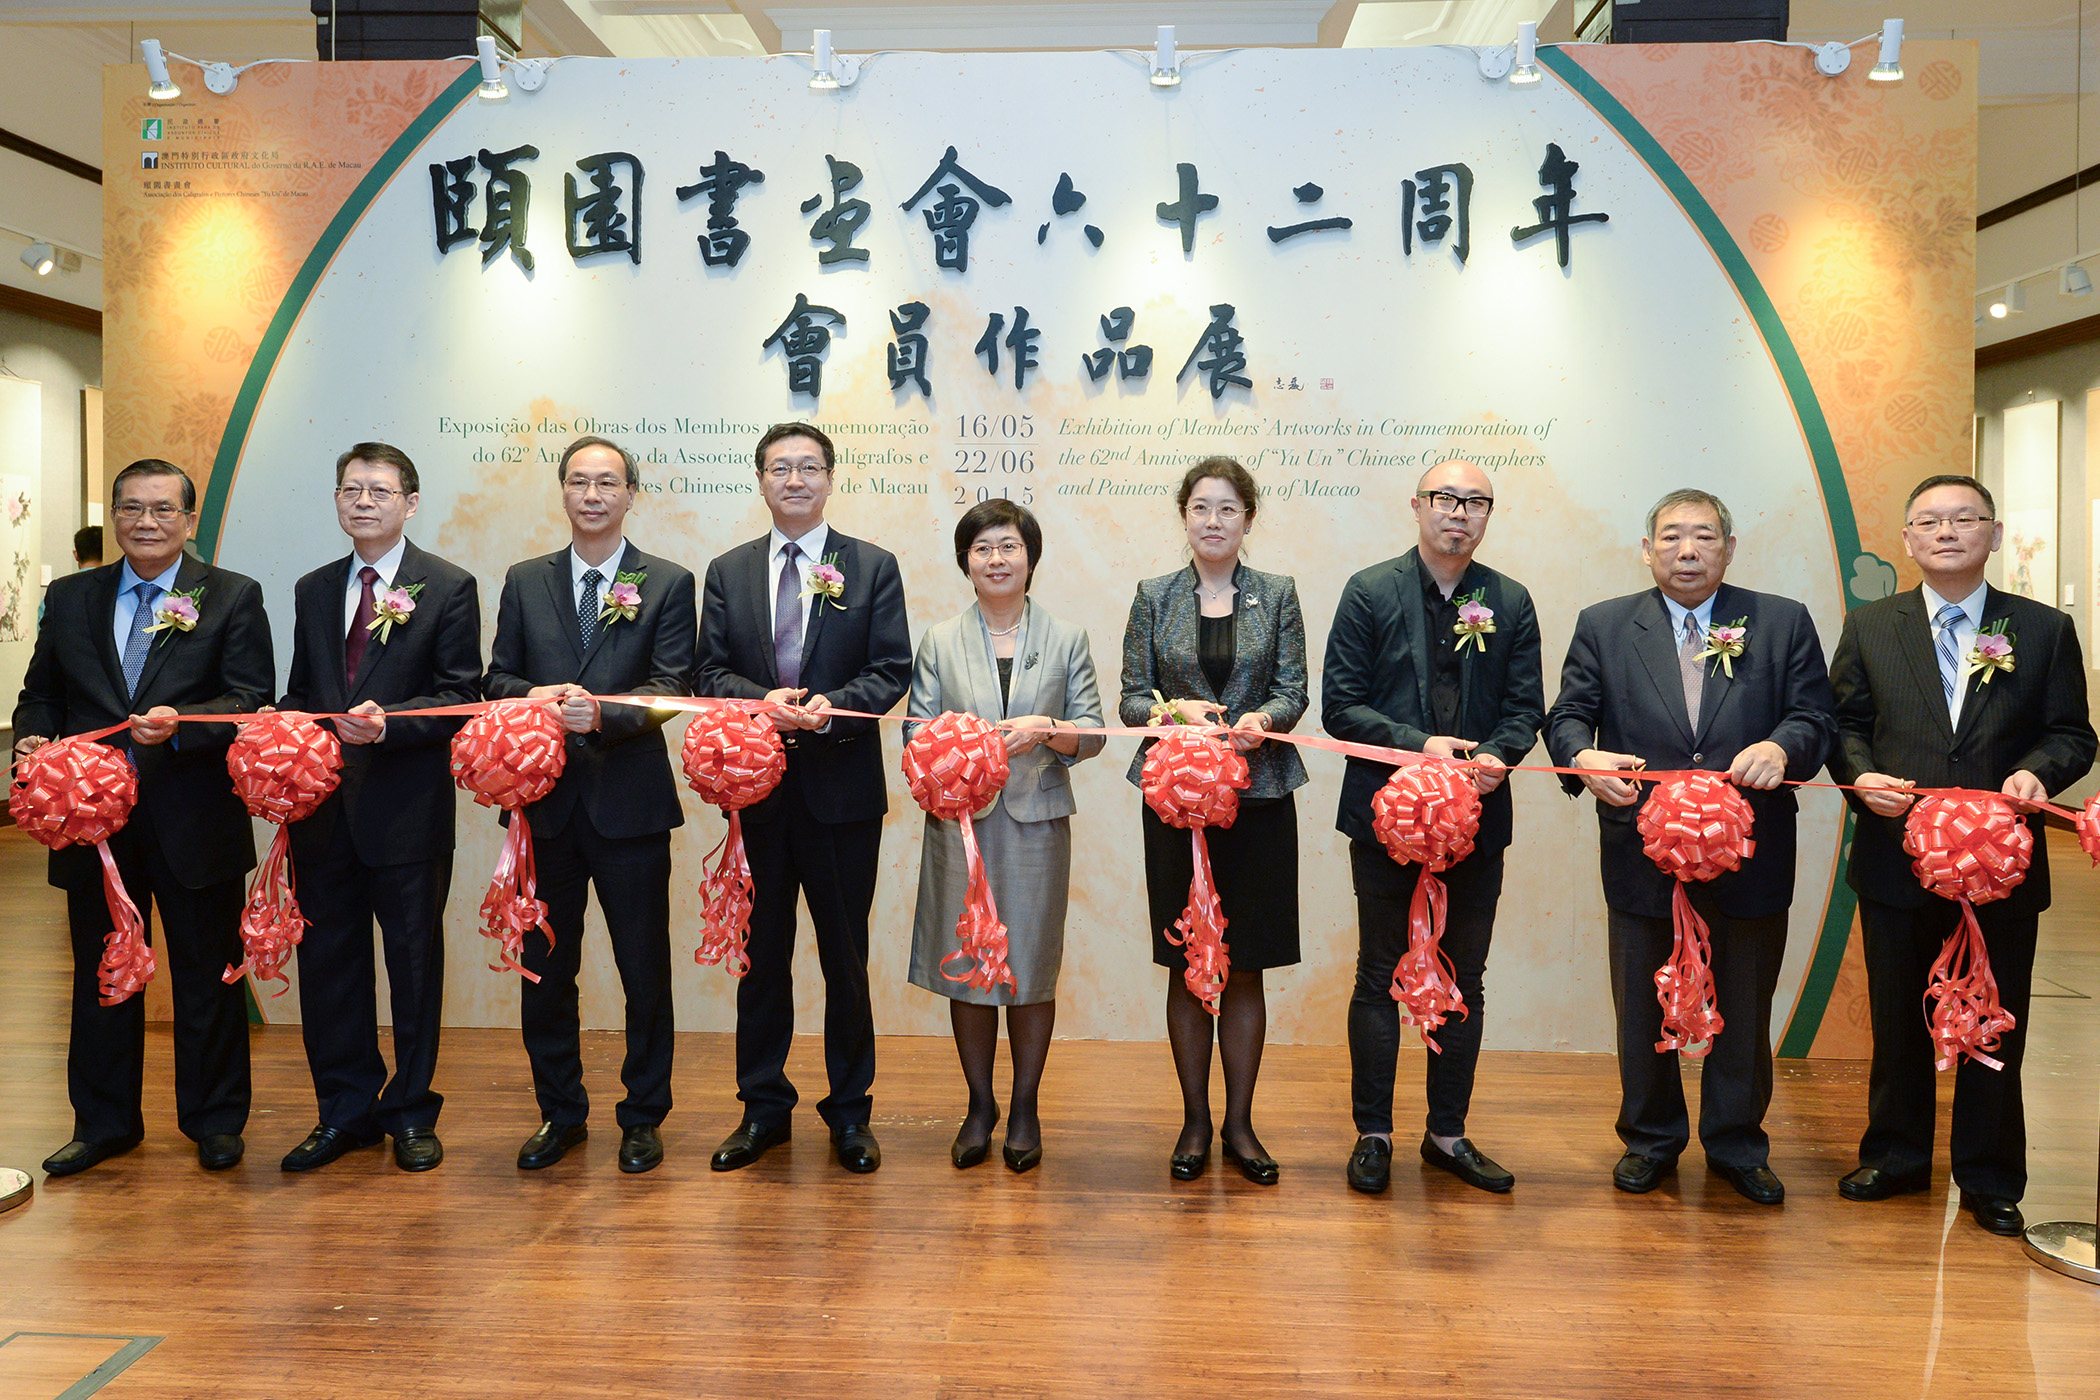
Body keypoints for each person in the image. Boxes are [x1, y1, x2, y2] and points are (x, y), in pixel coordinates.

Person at [1545, 488, 1836, 1205]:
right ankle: (1651, 1140)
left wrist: (1781, 744)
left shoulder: (1781, 620)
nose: (1688, 550)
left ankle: (1737, 1144)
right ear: (1646, 550)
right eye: (1671, 537)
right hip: (1643, 849)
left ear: (1728, 549)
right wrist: (1584, 758)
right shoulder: (1606, 625)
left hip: (1751, 852)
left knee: (1743, 1000)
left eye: (1704, 537)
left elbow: (1816, 717)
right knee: (1643, 1004)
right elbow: (1569, 717)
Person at [1828, 474, 2095, 1238]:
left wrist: (2037, 773)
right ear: (1909, 539)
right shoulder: (1871, 624)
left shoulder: (2042, 629)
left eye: (1964, 519)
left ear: (1996, 534)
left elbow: (2074, 733)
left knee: (1995, 1020)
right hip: (1896, 858)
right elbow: (1844, 723)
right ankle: (1898, 1155)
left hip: (2002, 864)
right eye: (1929, 522)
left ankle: (1989, 1176)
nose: (1946, 532)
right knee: (1898, 1015)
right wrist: (1858, 775)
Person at [15, 458, 273, 1176]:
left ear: (189, 520)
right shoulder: (70, 598)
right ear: (115, 515)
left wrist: (185, 724)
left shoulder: (231, 596)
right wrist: (35, 735)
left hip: (195, 821)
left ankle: (215, 1122)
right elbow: (41, 694)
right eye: (131, 508)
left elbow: (251, 700)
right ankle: (103, 1125)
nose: (146, 521)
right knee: (103, 978)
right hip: (90, 823)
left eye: (163, 509)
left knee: (207, 981)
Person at [1321, 460, 1544, 1196]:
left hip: (1477, 819)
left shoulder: (1508, 601)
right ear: (1418, 506)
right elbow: (1341, 706)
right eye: (1447, 499)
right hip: (1386, 817)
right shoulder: (1369, 590)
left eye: (1476, 502)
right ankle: (1373, 1134)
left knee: (1464, 977)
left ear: (1487, 516)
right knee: (1379, 974)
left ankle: (1447, 1133)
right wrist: (1421, 747)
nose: (1460, 513)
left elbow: (1524, 708)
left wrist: (1495, 755)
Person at [696, 422, 911, 1175]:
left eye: (809, 467)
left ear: (830, 478)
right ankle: (763, 1110)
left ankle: (850, 1114)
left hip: (842, 792)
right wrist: (764, 702)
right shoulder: (727, 571)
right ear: (761, 479)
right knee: (762, 959)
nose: (795, 479)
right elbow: (708, 675)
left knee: (845, 960)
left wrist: (829, 706)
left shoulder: (872, 566)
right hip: (754, 795)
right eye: (781, 467)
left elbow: (891, 671)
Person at [484, 435, 696, 1174]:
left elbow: (674, 689)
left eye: (608, 482)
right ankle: (560, 1112)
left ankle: (643, 1116)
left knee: (644, 971)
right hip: (541, 809)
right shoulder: (523, 579)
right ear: (563, 492)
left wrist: (604, 715)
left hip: (629, 805)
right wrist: (530, 697)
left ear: (631, 493)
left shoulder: (667, 581)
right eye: (579, 482)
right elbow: (496, 679)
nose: (593, 495)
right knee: (545, 970)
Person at [275, 442, 481, 1173]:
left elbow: (462, 697)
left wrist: (392, 721)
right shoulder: (311, 587)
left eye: (379, 491)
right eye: (351, 489)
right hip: (321, 810)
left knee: (414, 969)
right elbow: (302, 690)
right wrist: (283, 733)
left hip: (406, 810)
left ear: (410, 503)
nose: (363, 501)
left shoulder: (448, 586)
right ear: (336, 501)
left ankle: (411, 1111)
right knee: (329, 967)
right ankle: (343, 1113)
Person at [1119, 457, 1308, 1185]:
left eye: (1228, 509)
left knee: (1248, 964)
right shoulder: (1153, 596)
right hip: (1177, 802)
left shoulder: (1279, 595)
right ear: (1184, 516)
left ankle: (1240, 1123)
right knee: (1187, 964)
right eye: (1201, 508)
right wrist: (1175, 712)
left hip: (1258, 801)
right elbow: (1134, 697)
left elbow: (1295, 686)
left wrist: (1265, 717)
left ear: (1249, 519)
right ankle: (1195, 1121)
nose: (1213, 521)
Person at [906, 500, 1105, 1173]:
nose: (997, 558)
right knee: (967, 968)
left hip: (1035, 821)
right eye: (983, 547)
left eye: (1010, 547)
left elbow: (1097, 733)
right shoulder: (939, 639)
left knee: (1028, 969)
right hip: (960, 823)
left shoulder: (1067, 637)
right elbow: (914, 731)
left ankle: (1024, 1106)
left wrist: (1050, 729)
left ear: (1031, 558)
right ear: (966, 561)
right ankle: (979, 1104)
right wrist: (952, 755)